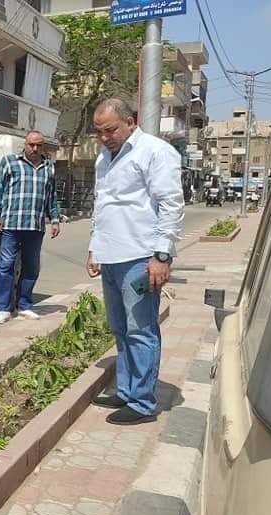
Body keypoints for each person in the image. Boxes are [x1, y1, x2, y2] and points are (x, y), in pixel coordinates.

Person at [87, 99, 185, 425]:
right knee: (120, 328)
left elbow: (171, 204)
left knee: (140, 328)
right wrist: (94, 248)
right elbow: (103, 204)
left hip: (140, 258)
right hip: (111, 256)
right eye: (99, 132)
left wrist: (161, 255)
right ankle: (126, 390)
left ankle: (143, 402)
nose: (104, 137)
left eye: (110, 130)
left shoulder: (155, 152)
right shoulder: (104, 157)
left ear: (130, 121)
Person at [0, 130, 61, 324]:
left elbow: (52, 197)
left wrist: (54, 219)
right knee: (5, 266)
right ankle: (3, 309)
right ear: (25, 144)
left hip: (35, 226)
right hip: (11, 224)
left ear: (43, 146)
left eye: (39, 145)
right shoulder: (9, 162)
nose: (35, 148)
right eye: (31, 144)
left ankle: (24, 306)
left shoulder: (49, 168)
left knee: (31, 267)